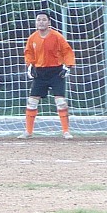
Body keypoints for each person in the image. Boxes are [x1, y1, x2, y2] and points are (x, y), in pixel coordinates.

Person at [18, 11, 76, 139]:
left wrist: (68, 66)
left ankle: (66, 131)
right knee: (32, 101)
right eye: (39, 20)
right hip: (40, 73)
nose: (41, 22)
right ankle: (28, 131)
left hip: (56, 72)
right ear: (35, 22)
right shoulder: (32, 38)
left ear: (49, 22)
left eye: (44, 19)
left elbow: (67, 51)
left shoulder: (57, 36)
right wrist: (30, 66)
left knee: (60, 101)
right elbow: (28, 53)